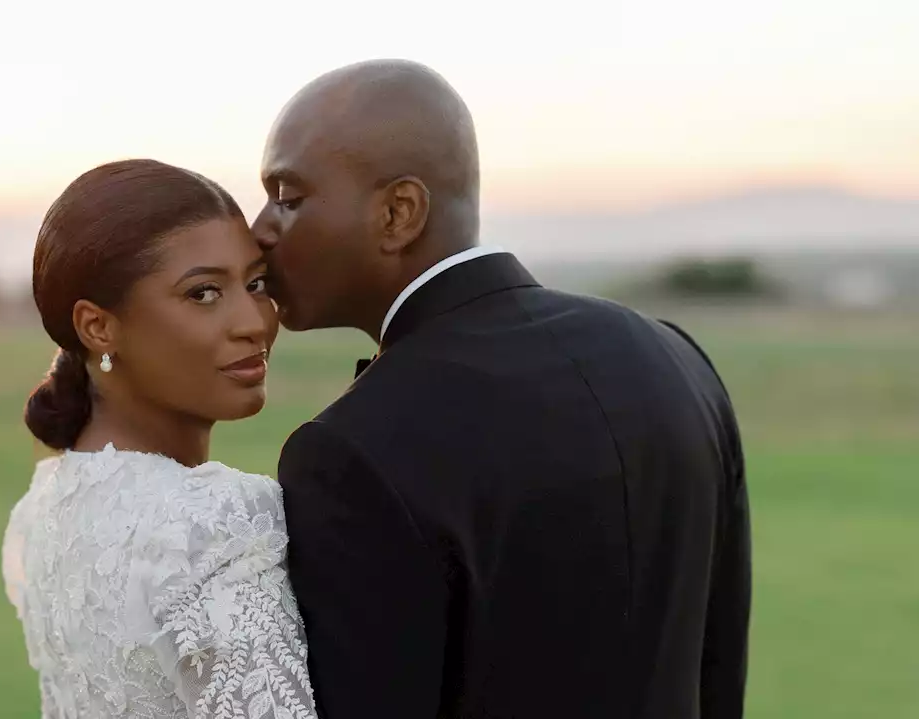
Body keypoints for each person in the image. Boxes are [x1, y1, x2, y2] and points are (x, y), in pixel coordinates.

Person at [252, 59, 751, 718]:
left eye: (288, 195)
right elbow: (718, 674)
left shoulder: (351, 447)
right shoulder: (677, 359)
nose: (259, 227)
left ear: (399, 213)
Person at [1, 159, 317, 718]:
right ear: (98, 326)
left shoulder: (39, 513)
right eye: (203, 293)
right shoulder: (216, 525)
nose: (255, 321)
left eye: (256, 283)